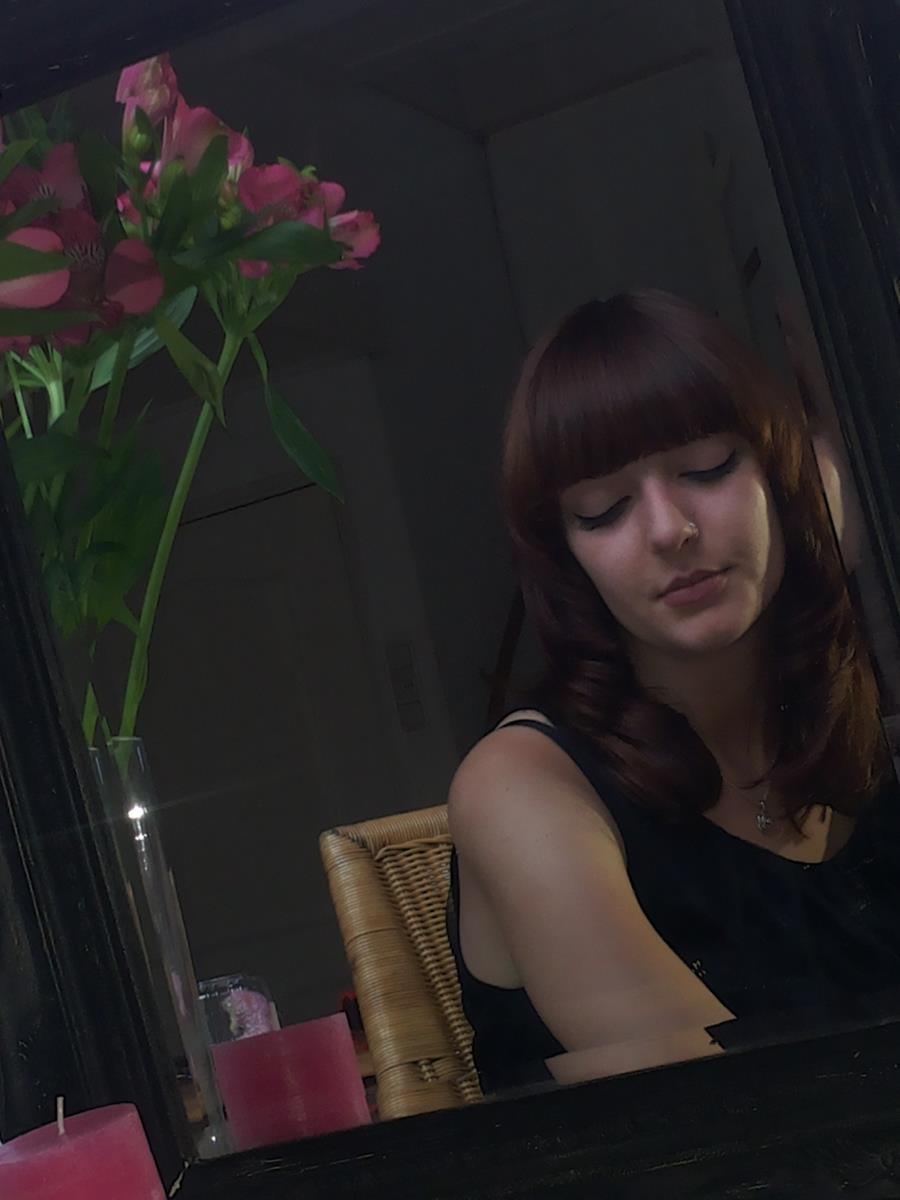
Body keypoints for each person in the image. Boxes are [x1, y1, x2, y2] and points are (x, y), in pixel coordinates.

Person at [446, 289, 900, 1096]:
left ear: (783, 477)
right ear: (566, 556)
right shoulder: (520, 787)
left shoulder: (853, 727)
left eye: (708, 468)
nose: (669, 529)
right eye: (604, 509)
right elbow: (735, 1120)